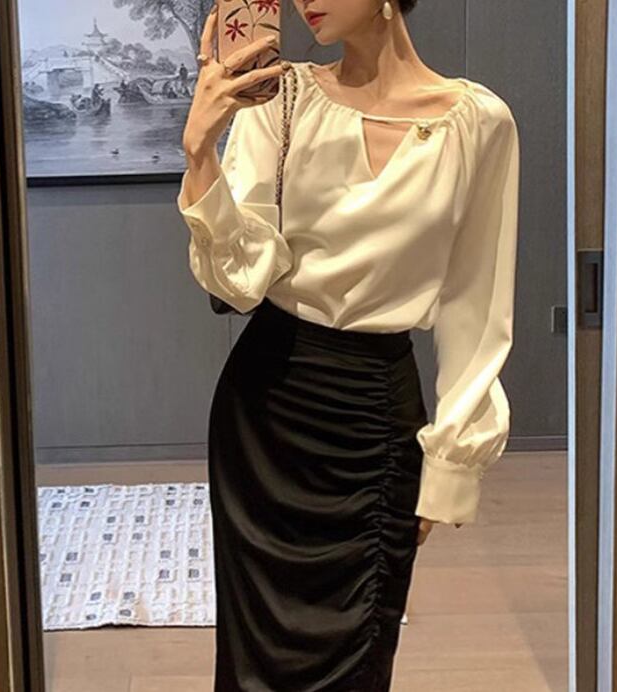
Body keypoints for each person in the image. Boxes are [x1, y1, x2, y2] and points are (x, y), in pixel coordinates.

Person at [177, 0, 520, 689]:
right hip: (266, 412)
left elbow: (476, 305)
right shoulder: (281, 100)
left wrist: (450, 464)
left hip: (374, 419)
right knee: (253, 657)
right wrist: (199, 151)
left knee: (359, 652)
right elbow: (241, 281)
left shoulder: (479, 124)